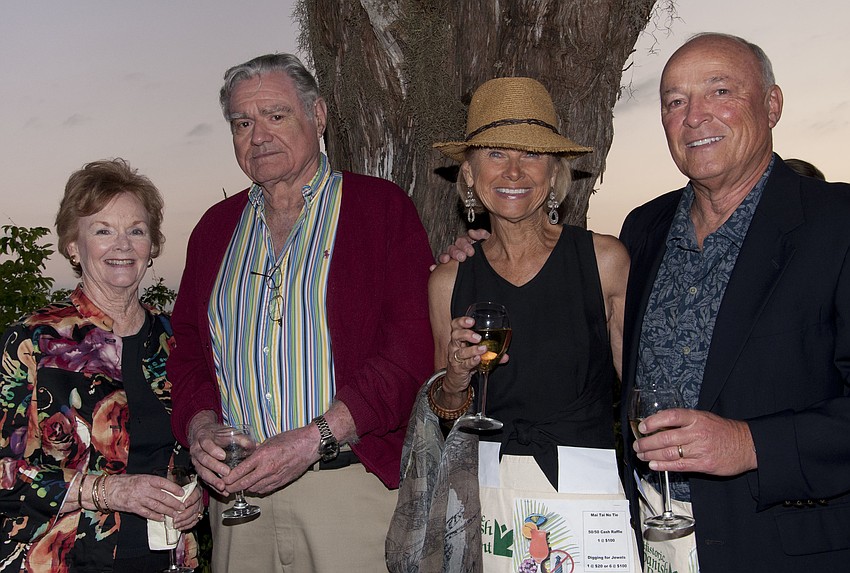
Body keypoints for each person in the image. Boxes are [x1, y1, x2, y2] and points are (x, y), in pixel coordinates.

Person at [166, 53, 433, 572]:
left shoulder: (379, 209)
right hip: (238, 508)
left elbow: (411, 351)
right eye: (242, 123)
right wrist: (199, 425)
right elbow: (189, 349)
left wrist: (316, 438)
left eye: (276, 115)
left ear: (319, 115)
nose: (258, 134)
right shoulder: (214, 230)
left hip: (348, 491)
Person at [619, 33, 850, 571]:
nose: (695, 116)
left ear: (772, 105)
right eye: (675, 101)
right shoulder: (642, 228)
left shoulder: (838, 224)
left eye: (720, 91)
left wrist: (751, 445)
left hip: (784, 547)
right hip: (648, 536)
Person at [387, 77, 634, 572]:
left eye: (532, 155)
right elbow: (446, 415)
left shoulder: (604, 259)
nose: (515, 171)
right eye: (496, 153)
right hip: (487, 498)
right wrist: (456, 376)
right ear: (471, 175)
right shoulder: (448, 281)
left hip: (587, 496)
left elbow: (639, 394)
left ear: (555, 173)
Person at [0, 159, 202, 572]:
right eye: (103, 230)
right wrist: (109, 491)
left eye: (136, 230)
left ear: (153, 246)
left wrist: (198, 494)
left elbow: (187, 451)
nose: (123, 245)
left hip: (164, 561)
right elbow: (4, 473)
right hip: (60, 560)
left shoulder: (175, 341)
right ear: (74, 245)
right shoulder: (31, 340)